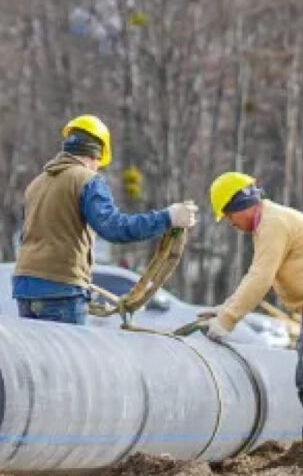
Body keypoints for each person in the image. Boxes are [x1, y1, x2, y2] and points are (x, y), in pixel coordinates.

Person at [205, 171, 303, 451]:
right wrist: (224, 309)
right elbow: (256, 276)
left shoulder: (273, 224)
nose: (231, 224)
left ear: (239, 205)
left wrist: (227, 320)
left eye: (228, 215)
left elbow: (260, 278)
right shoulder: (270, 222)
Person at [13, 115, 199, 325]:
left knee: (39, 357)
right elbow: (114, 228)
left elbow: (29, 238)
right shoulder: (87, 180)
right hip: (62, 291)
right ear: (96, 154)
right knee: (71, 358)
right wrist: (168, 218)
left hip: (24, 289)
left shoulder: (36, 184)